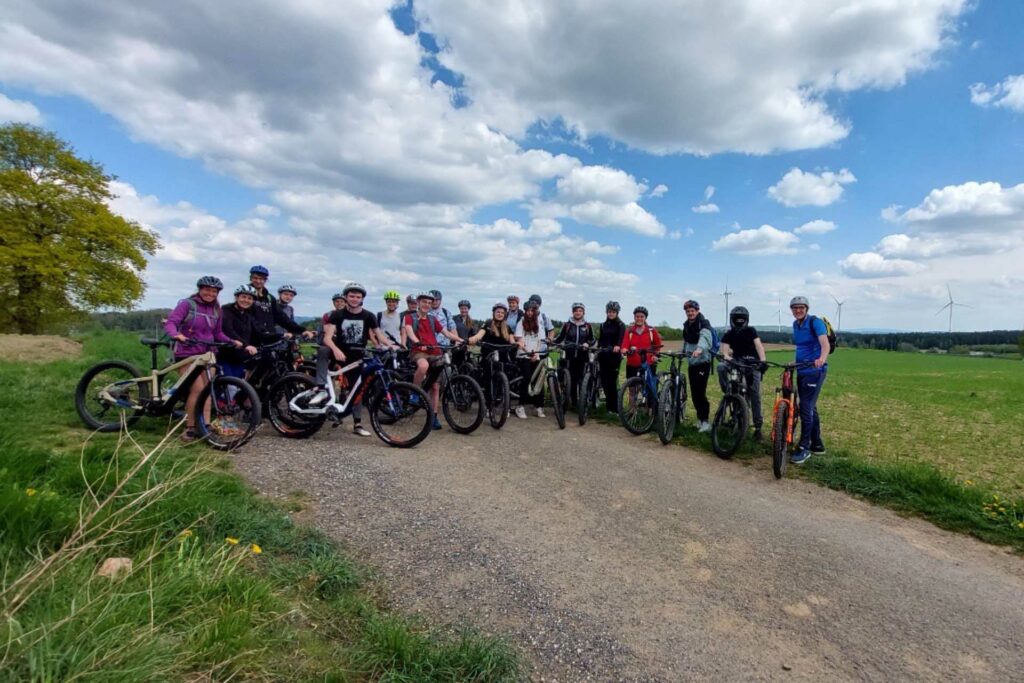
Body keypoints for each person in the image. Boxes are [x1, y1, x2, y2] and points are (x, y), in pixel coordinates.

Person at [163, 276, 244, 442]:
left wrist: (230, 341)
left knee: (208, 389)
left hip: (207, 353)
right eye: (207, 290)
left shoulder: (216, 309)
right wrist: (177, 335)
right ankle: (190, 428)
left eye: (214, 291)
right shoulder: (187, 304)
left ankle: (204, 425)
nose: (210, 293)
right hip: (187, 353)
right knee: (198, 389)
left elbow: (217, 333)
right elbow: (171, 323)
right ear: (200, 290)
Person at [312, 282, 390, 437]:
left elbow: (379, 335)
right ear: (346, 297)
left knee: (357, 390)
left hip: (356, 356)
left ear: (362, 299)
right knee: (323, 350)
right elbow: (327, 338)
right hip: (339, 353)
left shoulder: (368, 316)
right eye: (351, 296)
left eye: (358, 296)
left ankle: (358, 424)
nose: (354, 299)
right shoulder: (337, 315)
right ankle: (321, 388)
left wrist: (391, 345)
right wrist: (336, 350)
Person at [405, 291, 462, 429]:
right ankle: (415, 392)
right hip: (419, 351)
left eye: (429, 303)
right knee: (423, 366)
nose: (427, 305)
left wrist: (460, 340)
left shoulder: (432, 319)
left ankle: (433, 417)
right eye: (424, 302)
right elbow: (409, 332)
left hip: (434, 352)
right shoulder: (409, 317)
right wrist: (417, 342)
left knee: (435, 387)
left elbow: (446, 332)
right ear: (418, 303)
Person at [717, 306, 768, 440]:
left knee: (755, 394)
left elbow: (759, 346)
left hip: (752, 363)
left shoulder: (751, 331)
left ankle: (758, 427)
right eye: (736, 319)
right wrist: (727, 357)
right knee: (721, 367)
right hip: (737, 362)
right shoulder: (729, 334)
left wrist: (763, 361)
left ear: (746, 320)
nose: (739, 321)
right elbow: (725, 351)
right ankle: (728, 392)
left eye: (741, 319)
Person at [789, 295, 829, 464]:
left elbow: (824, 344)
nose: (798, 310)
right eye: (795, 308)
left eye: (801, 308)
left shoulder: (815, 322)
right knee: (810, 406)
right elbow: (803, 347)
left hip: (815, 370)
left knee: (805, 406)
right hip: (802, 369)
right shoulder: (795, 325)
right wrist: (795, 362)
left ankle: (804, 448)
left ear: (807, 309)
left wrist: (822, 358)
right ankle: (817, 444)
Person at [247, 265, 312, 344]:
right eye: (255, 278)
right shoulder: (245, 297)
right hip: (250, 339)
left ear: (265, 280)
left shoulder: (269, 298)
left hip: (269, 339)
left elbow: (282, 318)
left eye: (261, 279)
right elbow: (247, 318)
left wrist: (302, 330)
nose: (258, 281)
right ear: (251, 278)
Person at [682, 299, 714, 433]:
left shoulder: (703, 323)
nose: (690, 313)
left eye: (692, 311)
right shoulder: (687, 325)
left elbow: (705, 337)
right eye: (688, 311)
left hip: (702, 362)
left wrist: (700, 349)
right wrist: (682, 351)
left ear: (697, 311)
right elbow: (686, 341)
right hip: (692, 363)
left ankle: (706, 422)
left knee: (700, 392)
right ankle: (700, 419)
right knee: (694, 393)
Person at [554, 302, 594, 408]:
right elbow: (560, 337)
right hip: (569, 355)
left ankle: (582, 402)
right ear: (573, 312)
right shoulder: (567, 325)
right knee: (571, 379)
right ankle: (573, 402)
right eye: (576, 310)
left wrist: (587, 343)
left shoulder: (587, 326)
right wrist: (553, 342)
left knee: (582, 379)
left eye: (580, 311)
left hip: (582, 355)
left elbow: (592, 340)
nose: (578, 312)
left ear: (583, 313)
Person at [513, 299, 548, 419]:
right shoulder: (521, 322)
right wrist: (529, 353)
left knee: (539, 380)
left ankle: (538, 406)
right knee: (527, 378)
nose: (529, 313)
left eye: (532, 310)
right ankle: (520, 406)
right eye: (527, 310)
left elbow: (539, 340)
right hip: (523, 354)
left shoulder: (538, 323)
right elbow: (519, 340)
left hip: (535, 354)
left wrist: (536, 354)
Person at [219, 284, 260, 379]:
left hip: (240, 357)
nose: (246, 300)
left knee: (237, 388)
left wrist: (279, 336)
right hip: (225, 356)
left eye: (249, 298)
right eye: (243, 297)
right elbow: (228, 330)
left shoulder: (247, 315)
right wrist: (247, 345)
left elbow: (258, 331)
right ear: (236, 297)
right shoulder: (226, 311)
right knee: (229, 387)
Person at [622, 305, 663, 386]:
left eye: (642, 316)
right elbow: (624, 345)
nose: (639, 318)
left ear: (645, 318)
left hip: (648, 363)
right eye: (637, 316)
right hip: (632, 364)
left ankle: (652, 398)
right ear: (634, 317)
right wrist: (624, 350)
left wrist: (655, 355)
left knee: (649, 388)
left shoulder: (651, 331)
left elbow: (658, 345)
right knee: (632, 389)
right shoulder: (629, 331)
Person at [596, 301, 626, 413]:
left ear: (617, 313)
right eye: (609, 312)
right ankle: (609, 406)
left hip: (614, 356)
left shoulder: (620, 325)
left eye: (613, 312)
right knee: (604, 382)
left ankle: (615, 407)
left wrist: (618, 346)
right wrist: (598, 348)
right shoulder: (603, 325)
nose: (611, 314)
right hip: (603, 355)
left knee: (612, 382)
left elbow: (621, 338)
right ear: (606, 312)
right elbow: (601, 339)